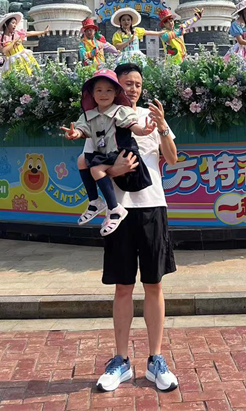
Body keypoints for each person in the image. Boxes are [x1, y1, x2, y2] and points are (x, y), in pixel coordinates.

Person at [95, 62, 179, 394]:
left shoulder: (150, 117)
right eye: (127, 83)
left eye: (137, 84)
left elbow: (172, 157)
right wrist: (113, 169)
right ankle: (120, 361)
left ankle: (156, 359)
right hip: (120, 211)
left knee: (154, 284)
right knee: (122, 287)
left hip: (153, 208)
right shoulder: (103, 120)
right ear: (116, 86)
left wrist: (162, 127)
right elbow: (93, 167)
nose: (133, 88)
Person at [63, 69, 156, 236]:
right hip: (105, 154)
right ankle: (94, 201)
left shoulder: (120, 110)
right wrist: (74, 134)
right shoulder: (88, 115)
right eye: (99, 90)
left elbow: (134, 127)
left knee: (96, 169)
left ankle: (114, 208)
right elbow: (80, 130)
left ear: (116, 93)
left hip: (122, 152)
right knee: (81, 160)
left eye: (108, 90)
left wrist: (144, 130)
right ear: (92, 93)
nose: (103, 94)